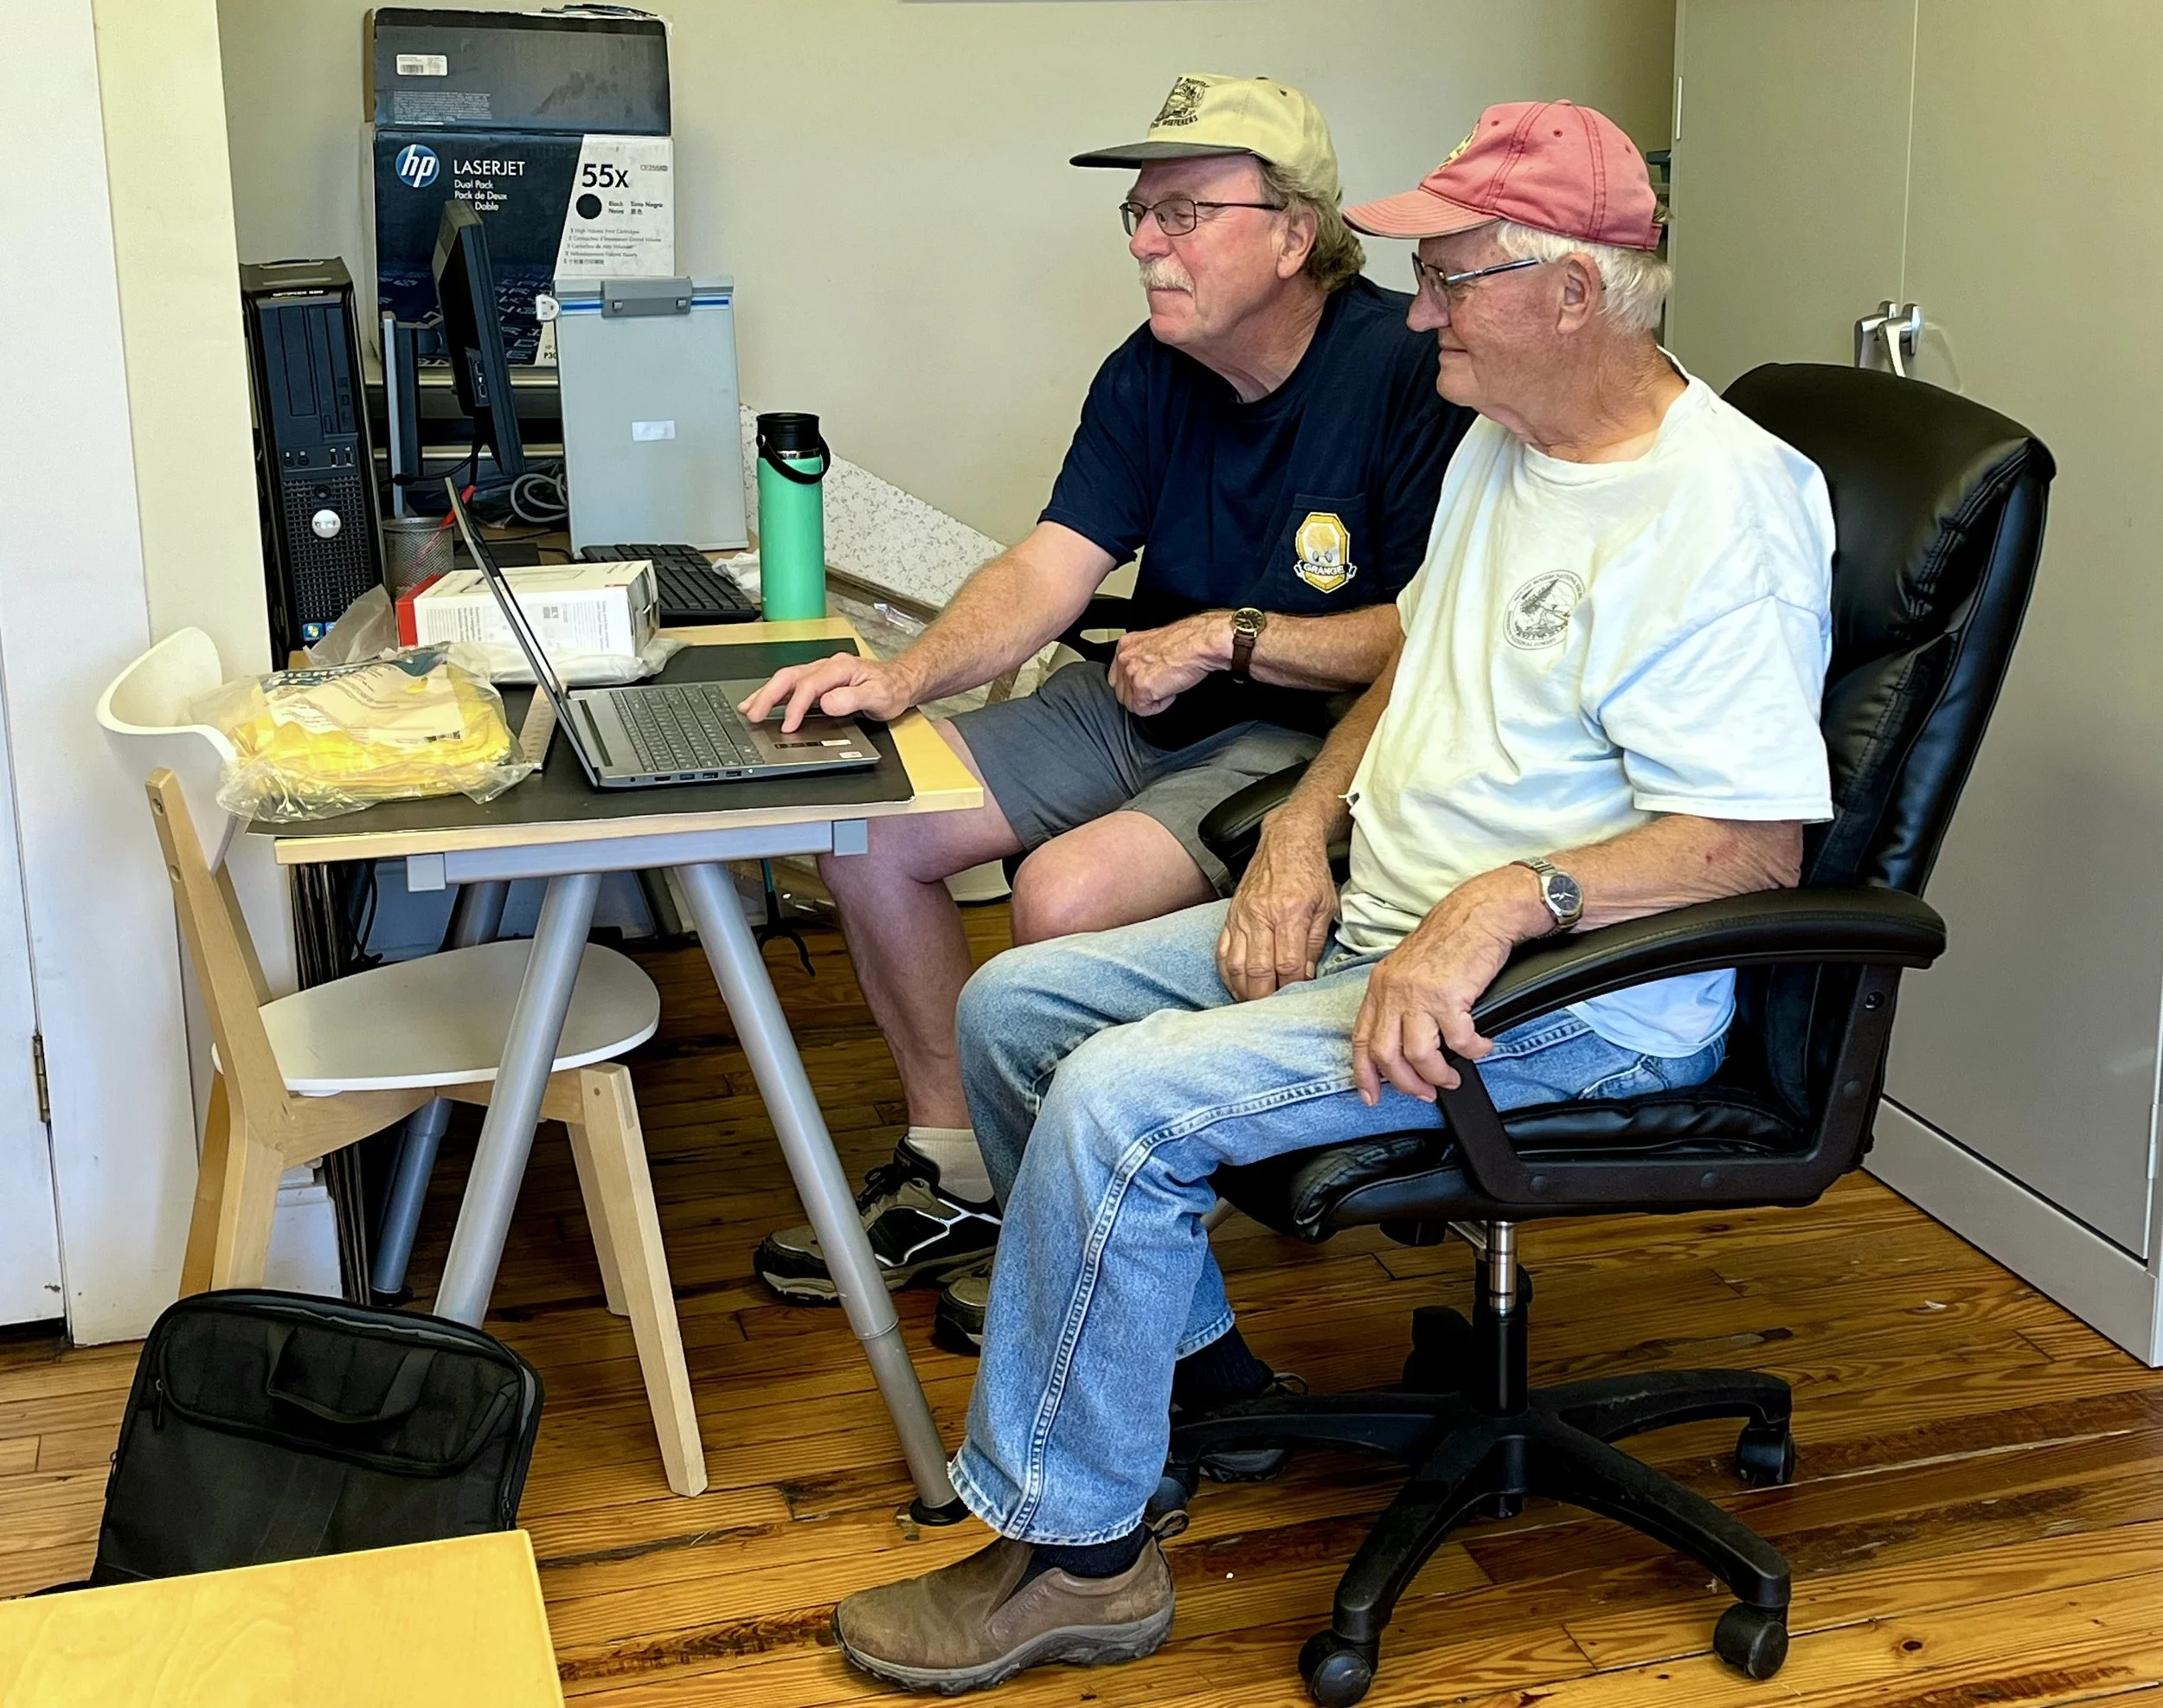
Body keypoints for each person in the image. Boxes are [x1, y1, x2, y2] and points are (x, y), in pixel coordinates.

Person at [829, 100, 1837, 1693]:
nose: (1419, 308)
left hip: (1568, 1006)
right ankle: (1200, 1386)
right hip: (1395, 924)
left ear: (1575, 292)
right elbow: (1414, 669)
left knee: (1112, 1103)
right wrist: (1304, 822)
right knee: (1018, 1009)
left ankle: (1076, 1556)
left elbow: (1751, 847)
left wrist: (1498, 903)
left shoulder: (1724, 508)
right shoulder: (1514, 447)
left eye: (1455, 276)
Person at [745, 73, 1470, 1315]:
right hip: (1139, 700)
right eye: (1140, 214)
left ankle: (1086, 1222)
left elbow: (1430, 637)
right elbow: (1050, 564)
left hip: (1312, 737)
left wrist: (1229, 639)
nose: (1145, 242)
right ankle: (959, 1166)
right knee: (871, 826)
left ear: (1296, 233)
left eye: (1184, 213)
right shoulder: (1151, 370)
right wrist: (903, 676)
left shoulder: (1406, 370)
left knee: (1060, 895)